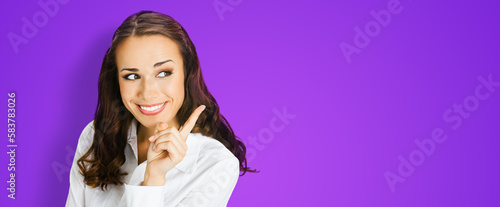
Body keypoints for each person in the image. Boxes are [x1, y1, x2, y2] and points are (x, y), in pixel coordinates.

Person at [66, 10, 256, 206]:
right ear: (117, 82)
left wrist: (153, 179)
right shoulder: (95, 135)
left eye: (164, 73)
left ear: (187, 73)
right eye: (132, 76)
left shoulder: (215, 165)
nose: (147, 93)